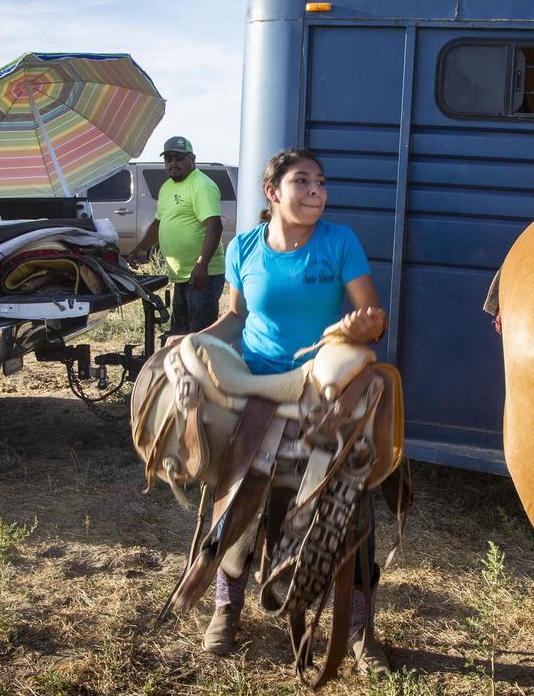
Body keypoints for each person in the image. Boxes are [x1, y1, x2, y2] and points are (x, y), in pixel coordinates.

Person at [193, 148, 390, 674]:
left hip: (321, 382)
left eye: (321, 183)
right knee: (238, 493)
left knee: (348, 496)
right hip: (257, 381)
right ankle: (226, 604)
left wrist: (364, 327)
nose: (316, 191)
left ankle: (357, 626)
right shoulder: (243, 248)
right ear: (272, 192)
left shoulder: (339, 242)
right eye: (302, 181)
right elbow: (235, 317)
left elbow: (371, 315)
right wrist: (194, 343)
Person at [129, 136, 225, 334]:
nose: (173, 163)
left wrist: (202, 264)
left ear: (192, 158)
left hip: (202, 275)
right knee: (179, 336)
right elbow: (158, 223)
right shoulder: (166, 188)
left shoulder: (201, 185)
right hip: (181, 275)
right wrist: (141, 248)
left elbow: (214, 227)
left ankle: (201, 366)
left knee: (199, 338)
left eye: (179, 158)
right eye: (168, 158)